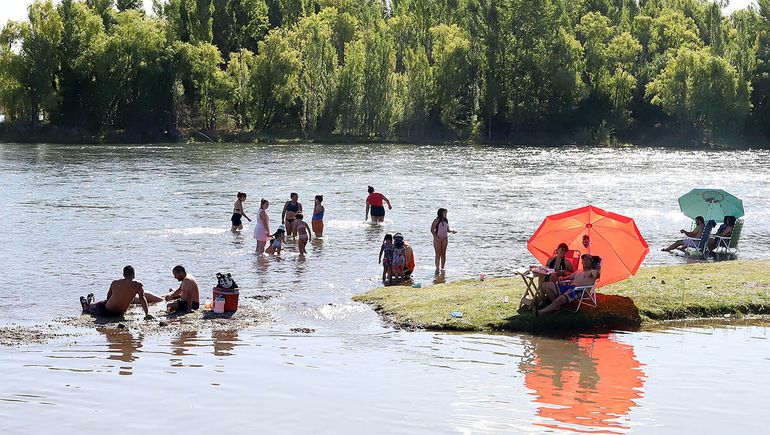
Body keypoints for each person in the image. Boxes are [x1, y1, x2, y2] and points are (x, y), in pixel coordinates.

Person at [535, 254, 601, 316]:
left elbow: (596, 275)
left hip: (580, 291)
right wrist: (562, 278)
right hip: (569, 287)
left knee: (560, 299)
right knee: (545, 285)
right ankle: (556, 305)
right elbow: (569, 277)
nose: (585, 261)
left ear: (591, 262)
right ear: (582, 262)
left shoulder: (592, 272)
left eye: (587, 260)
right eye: (584, 260)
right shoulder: (579, 271)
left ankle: (540, 312)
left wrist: (597, 267)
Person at [80, 266, 152, 319]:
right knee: (99, 305)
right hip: (119, 314)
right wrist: (147, 313)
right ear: (134, 274)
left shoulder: (115, 283)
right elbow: (142, 298)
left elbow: (108, 297)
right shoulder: (138, 285)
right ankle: (90, 302)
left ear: (123, 274)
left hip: (106, 311)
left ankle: (89, 303)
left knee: (94, 307)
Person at [430, 208, 457, 273]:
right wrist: (436, 237)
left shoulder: (446, 220)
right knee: (438, 254)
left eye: (446, 213)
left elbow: (447, 230)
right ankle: (437, 268)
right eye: (444, 213)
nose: (445, 214)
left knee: (443, 253)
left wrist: (452, 231)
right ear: (441, 213)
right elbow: (432, 230)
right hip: (437, 239)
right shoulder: (436, 220)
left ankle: (442, 268)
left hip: (445, 238)